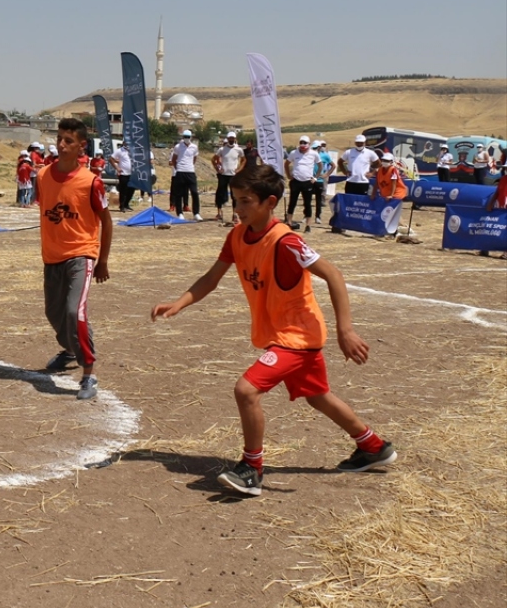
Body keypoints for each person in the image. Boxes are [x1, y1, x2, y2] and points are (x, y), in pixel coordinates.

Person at [151, 163, 397, 496]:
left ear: (270, 202)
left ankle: (251, 469)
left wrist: (346, 330)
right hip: (285, 336)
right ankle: (373, 446)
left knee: (246, 390)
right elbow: (212, 278)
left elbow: (334, 276)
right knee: (318, 397)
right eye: (235, 200)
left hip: (297, 337)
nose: (237, 209)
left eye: (245, 202)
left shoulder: (287, 241)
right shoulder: (237, 235)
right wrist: (179, 302)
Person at [38, 118, 112, 399]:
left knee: (74, 312)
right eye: (59, 139)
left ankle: (89, 373)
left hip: (81, 254)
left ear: (82, 146)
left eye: (68, 141)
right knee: (54, 314)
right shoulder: (43, 175)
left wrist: (102, 260)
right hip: (51, 257)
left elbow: (107, 220)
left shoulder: (91, 182)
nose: (61, 144)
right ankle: (69, 350)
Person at [285, 135, 318, 231]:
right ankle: (289, 222)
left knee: (307, 204)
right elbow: (286, 164)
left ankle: (308, 225)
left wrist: (315, 178)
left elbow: (320, 165)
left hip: (307, 181)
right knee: (292, 202)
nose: (303, 145)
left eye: (305, 143)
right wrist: (288, 175)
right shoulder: (294, 153)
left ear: (309, 144)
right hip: (296, 181)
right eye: (301, 142)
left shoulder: (313, 154)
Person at [212, 131, 245, 223]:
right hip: (223, 175)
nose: (231, 139)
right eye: (230, 138)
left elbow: (243, 160)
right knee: (220, 194)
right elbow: (214, 159)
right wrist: (217, 169)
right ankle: (219, 213)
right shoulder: (222, 149)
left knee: (234, 196)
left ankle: (234, 214)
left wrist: (239, 169)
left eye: (232, 138)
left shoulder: (239, 150)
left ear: (234, 139)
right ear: (228, 138)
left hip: (233, 175)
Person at [170, 129, 202, 220]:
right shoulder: (178, 147)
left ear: (191, 137)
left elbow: (194, 158)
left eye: (188, 137)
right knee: (179, 193)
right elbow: (173, 160)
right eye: (185, 137)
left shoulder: (194, 147)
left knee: (194, 192)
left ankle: (196, 213)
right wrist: (178, 168)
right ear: (182, 137)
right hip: (180, 171)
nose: (186, 138)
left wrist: (190, 166)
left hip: (190, 172)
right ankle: (180, 213)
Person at [312, 141, 332, 225]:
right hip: (309, 179)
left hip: (319, 180)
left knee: (318, 199)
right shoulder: (309, 155)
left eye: (316, 148)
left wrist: (327, 174)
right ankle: (306, 216)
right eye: (313, 148)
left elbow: (333, 165)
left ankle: (318, 216)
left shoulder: (325, 155)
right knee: (307, 199)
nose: (315, 149)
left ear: (320, 147)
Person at [112, 143, 133, 212]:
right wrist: (117, 168)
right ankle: (122, 206)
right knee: (123, 190)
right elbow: (111, 159)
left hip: (132, 174)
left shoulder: (132, 150)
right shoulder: (119, 151)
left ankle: (127, 204)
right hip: (123, 173)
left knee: (131, 189)